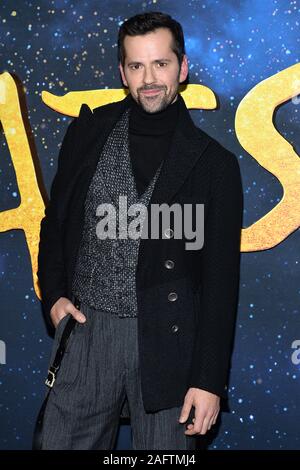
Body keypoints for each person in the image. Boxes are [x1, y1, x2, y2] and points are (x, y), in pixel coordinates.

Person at [37, 11, 243, 450]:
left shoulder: (215, 165)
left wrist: (209, 380)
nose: (149, 79)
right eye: (136, 66)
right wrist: (54, 297)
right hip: (88, 330)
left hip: (169, 340)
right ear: (123, 73)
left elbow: (222, 282)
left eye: (161, 64)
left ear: (182, 68)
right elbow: (55, 224)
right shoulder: (88, 133)